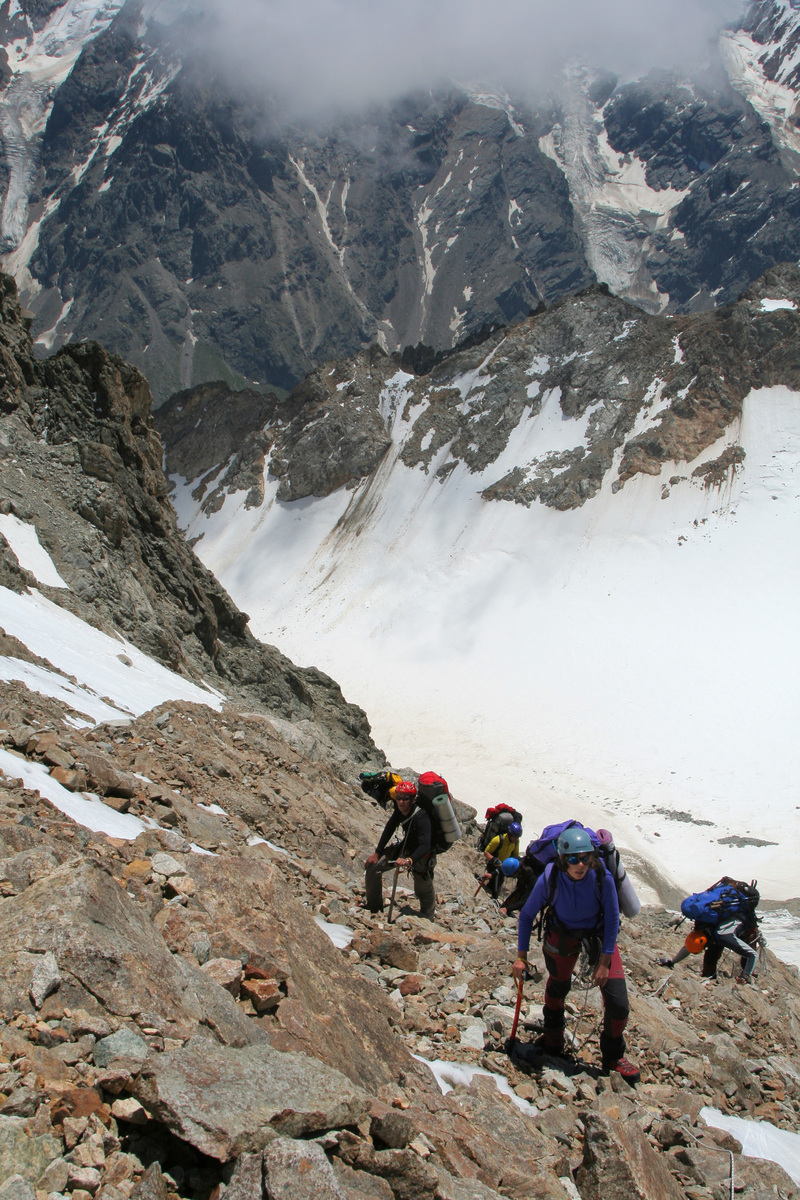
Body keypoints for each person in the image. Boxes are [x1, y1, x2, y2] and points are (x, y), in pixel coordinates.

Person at [512, 826, 640, 1083]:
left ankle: (613, 1057)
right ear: (562, 859)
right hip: (562, 933)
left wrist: (604, 962)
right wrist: (521, 956)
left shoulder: (601, 876)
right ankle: (553, 1037)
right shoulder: (550, 877)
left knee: (618, 1003)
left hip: (598, 936)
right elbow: (526, 916)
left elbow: (613, 918)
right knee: (558, 987)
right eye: (573, 859)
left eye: (585, 858)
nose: (580, 865)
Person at [660, 878, 760, 983]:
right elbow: (688, 947)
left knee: (716, 950)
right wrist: (672, 962)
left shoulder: (720, 934)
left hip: (740, 923)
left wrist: (745, 976)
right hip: (724, 923)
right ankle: (712, 976)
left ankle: (741, 975)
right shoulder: (703, 926)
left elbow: (752, 955)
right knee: (714, 948)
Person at [364, 781, 436, 920]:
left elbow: (425, 845)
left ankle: (427, 919)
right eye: (399, 798)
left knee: (422, 888)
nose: (401, 802)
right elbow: (389, 828)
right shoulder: (399, 811)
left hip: (422, 855)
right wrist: (377, 853)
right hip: (406, 848)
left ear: (412, 800)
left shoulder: (422, 816)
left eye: (405, 798)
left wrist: (409, 860)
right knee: (374, 867)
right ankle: (374, 908)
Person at [482, 820, 522, 899]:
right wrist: (494, 860)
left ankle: (493, 896)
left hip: (505, 865)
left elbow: (515, 855)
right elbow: (486, 852)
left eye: (517, 837)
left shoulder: (516, 842)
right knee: (494, 882)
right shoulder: (498, 840)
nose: (515, 839)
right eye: (514, 837)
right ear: (509, 834)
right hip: (494, 864)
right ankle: (490, 896)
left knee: (499, 882)